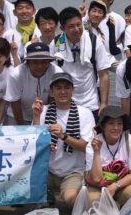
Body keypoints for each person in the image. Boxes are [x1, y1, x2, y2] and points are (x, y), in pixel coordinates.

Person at [31, 73, 94, 207]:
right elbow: (32, 143)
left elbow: (85, 146)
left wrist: (63, 136)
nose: (63, 91)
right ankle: (46, 194)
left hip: (73, 171)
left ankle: (79, 192)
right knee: (30, 189)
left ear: (73, 90)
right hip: (47, 169)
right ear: (52, 92)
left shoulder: (85, 113)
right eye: (58, 88)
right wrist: (36, 116)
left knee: (71, 199)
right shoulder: (43, 111)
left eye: (67, 87)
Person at [55, 6, 113, 115]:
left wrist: (104, 103)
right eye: (71, 26)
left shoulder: (94, 41)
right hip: (65, 101)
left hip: (91, 102)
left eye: (78, 24)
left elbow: (103, 74)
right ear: (62, 28)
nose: (77, 29)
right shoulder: (58, 43)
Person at [86, 106, 131, 206]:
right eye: (111, 123)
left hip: (121, 185)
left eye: (119, 123)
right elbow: (96, 179)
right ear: (103, 126)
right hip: (98, 187)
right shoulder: (93, 143)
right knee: (92, 199)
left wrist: (115, 186)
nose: (116, 128)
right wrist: (96, 152)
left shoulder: (130, 140)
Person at [6, 42, 62, 125]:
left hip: (43, 114)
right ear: (28, 62)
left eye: (44, 62)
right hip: (17, 114)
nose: (39, 66)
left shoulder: (57, 72)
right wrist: (22, 127)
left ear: (49, 61)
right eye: (35, 62)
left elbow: (53, 99)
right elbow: (15, 102)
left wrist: (47, 119)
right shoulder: (16, 74)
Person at [85, 0, 124, 64]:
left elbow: (113, 51)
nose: (96, 14)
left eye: (100, 12)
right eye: (94, 11)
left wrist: (112, 29)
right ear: (88, 13)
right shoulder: (82, 27)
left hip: (102, 61)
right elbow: (63, 38)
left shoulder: (99, 32)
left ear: (104, 17)